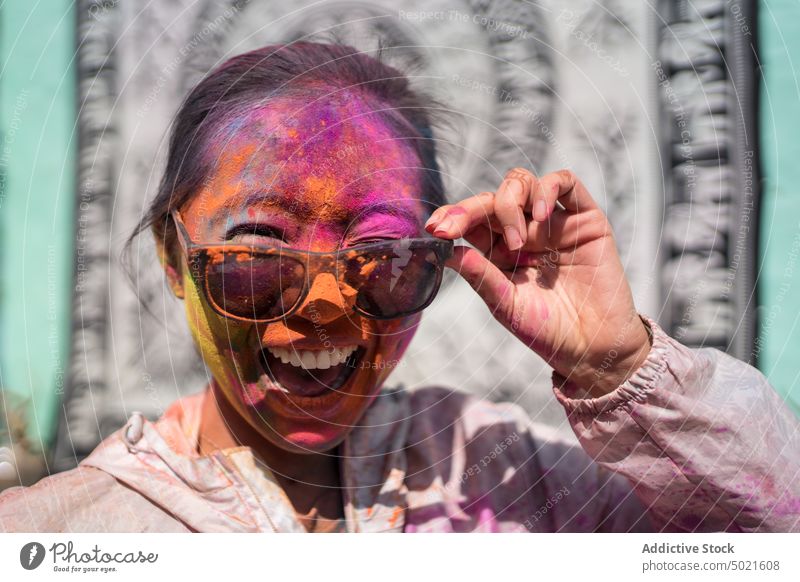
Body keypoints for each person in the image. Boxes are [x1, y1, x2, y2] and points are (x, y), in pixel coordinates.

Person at [1, 42, 798, 533]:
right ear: (176, 261)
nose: (322, 310)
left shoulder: (504, 478)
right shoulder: (68, 535)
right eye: (259, 257)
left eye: (381, 259)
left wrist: (619, 365)